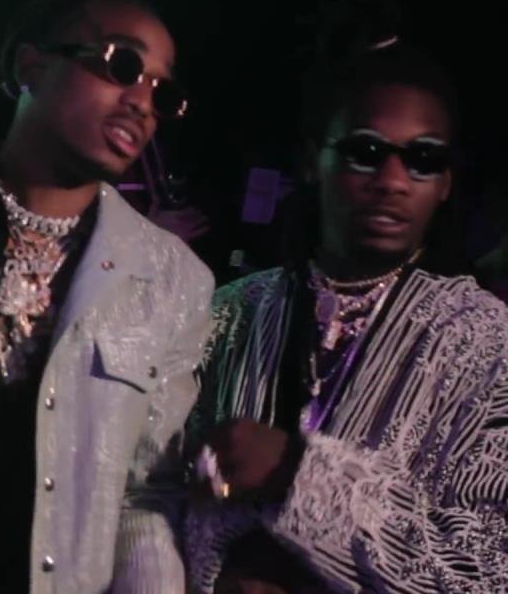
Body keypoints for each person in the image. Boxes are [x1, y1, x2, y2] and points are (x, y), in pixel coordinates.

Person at [0, 0, 214, 593]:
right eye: (123, 66)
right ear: (30, 67)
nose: (142, 102)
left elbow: (145, 493)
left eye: (162, 92)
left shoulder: (172, 279)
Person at [185, 40, 508, 593]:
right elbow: (151, 494)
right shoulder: (230, 313)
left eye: (424, 159)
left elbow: (488, 569)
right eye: (366, 151)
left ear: (446, 183)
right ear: (313, 161)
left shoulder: (486, 341)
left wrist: (296, 473)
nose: (393, 180)